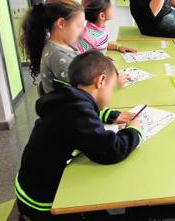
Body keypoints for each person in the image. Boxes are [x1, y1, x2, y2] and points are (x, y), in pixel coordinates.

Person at [15, 51, 142, 220]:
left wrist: (109, 115)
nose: (111, 95)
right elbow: (110, 151)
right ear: (101, 81)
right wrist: (134, 131)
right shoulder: (78, 112)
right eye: (111, 88)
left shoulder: (68, 98)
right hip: (43, 203)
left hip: (28, 187)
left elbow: (83, 116)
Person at [20, 0, 85, 94]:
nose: (82, 31)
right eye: (79, 25)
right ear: (61, 23)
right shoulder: (56, 55)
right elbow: (84, 88)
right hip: (69, 108)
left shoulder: (65, 46)